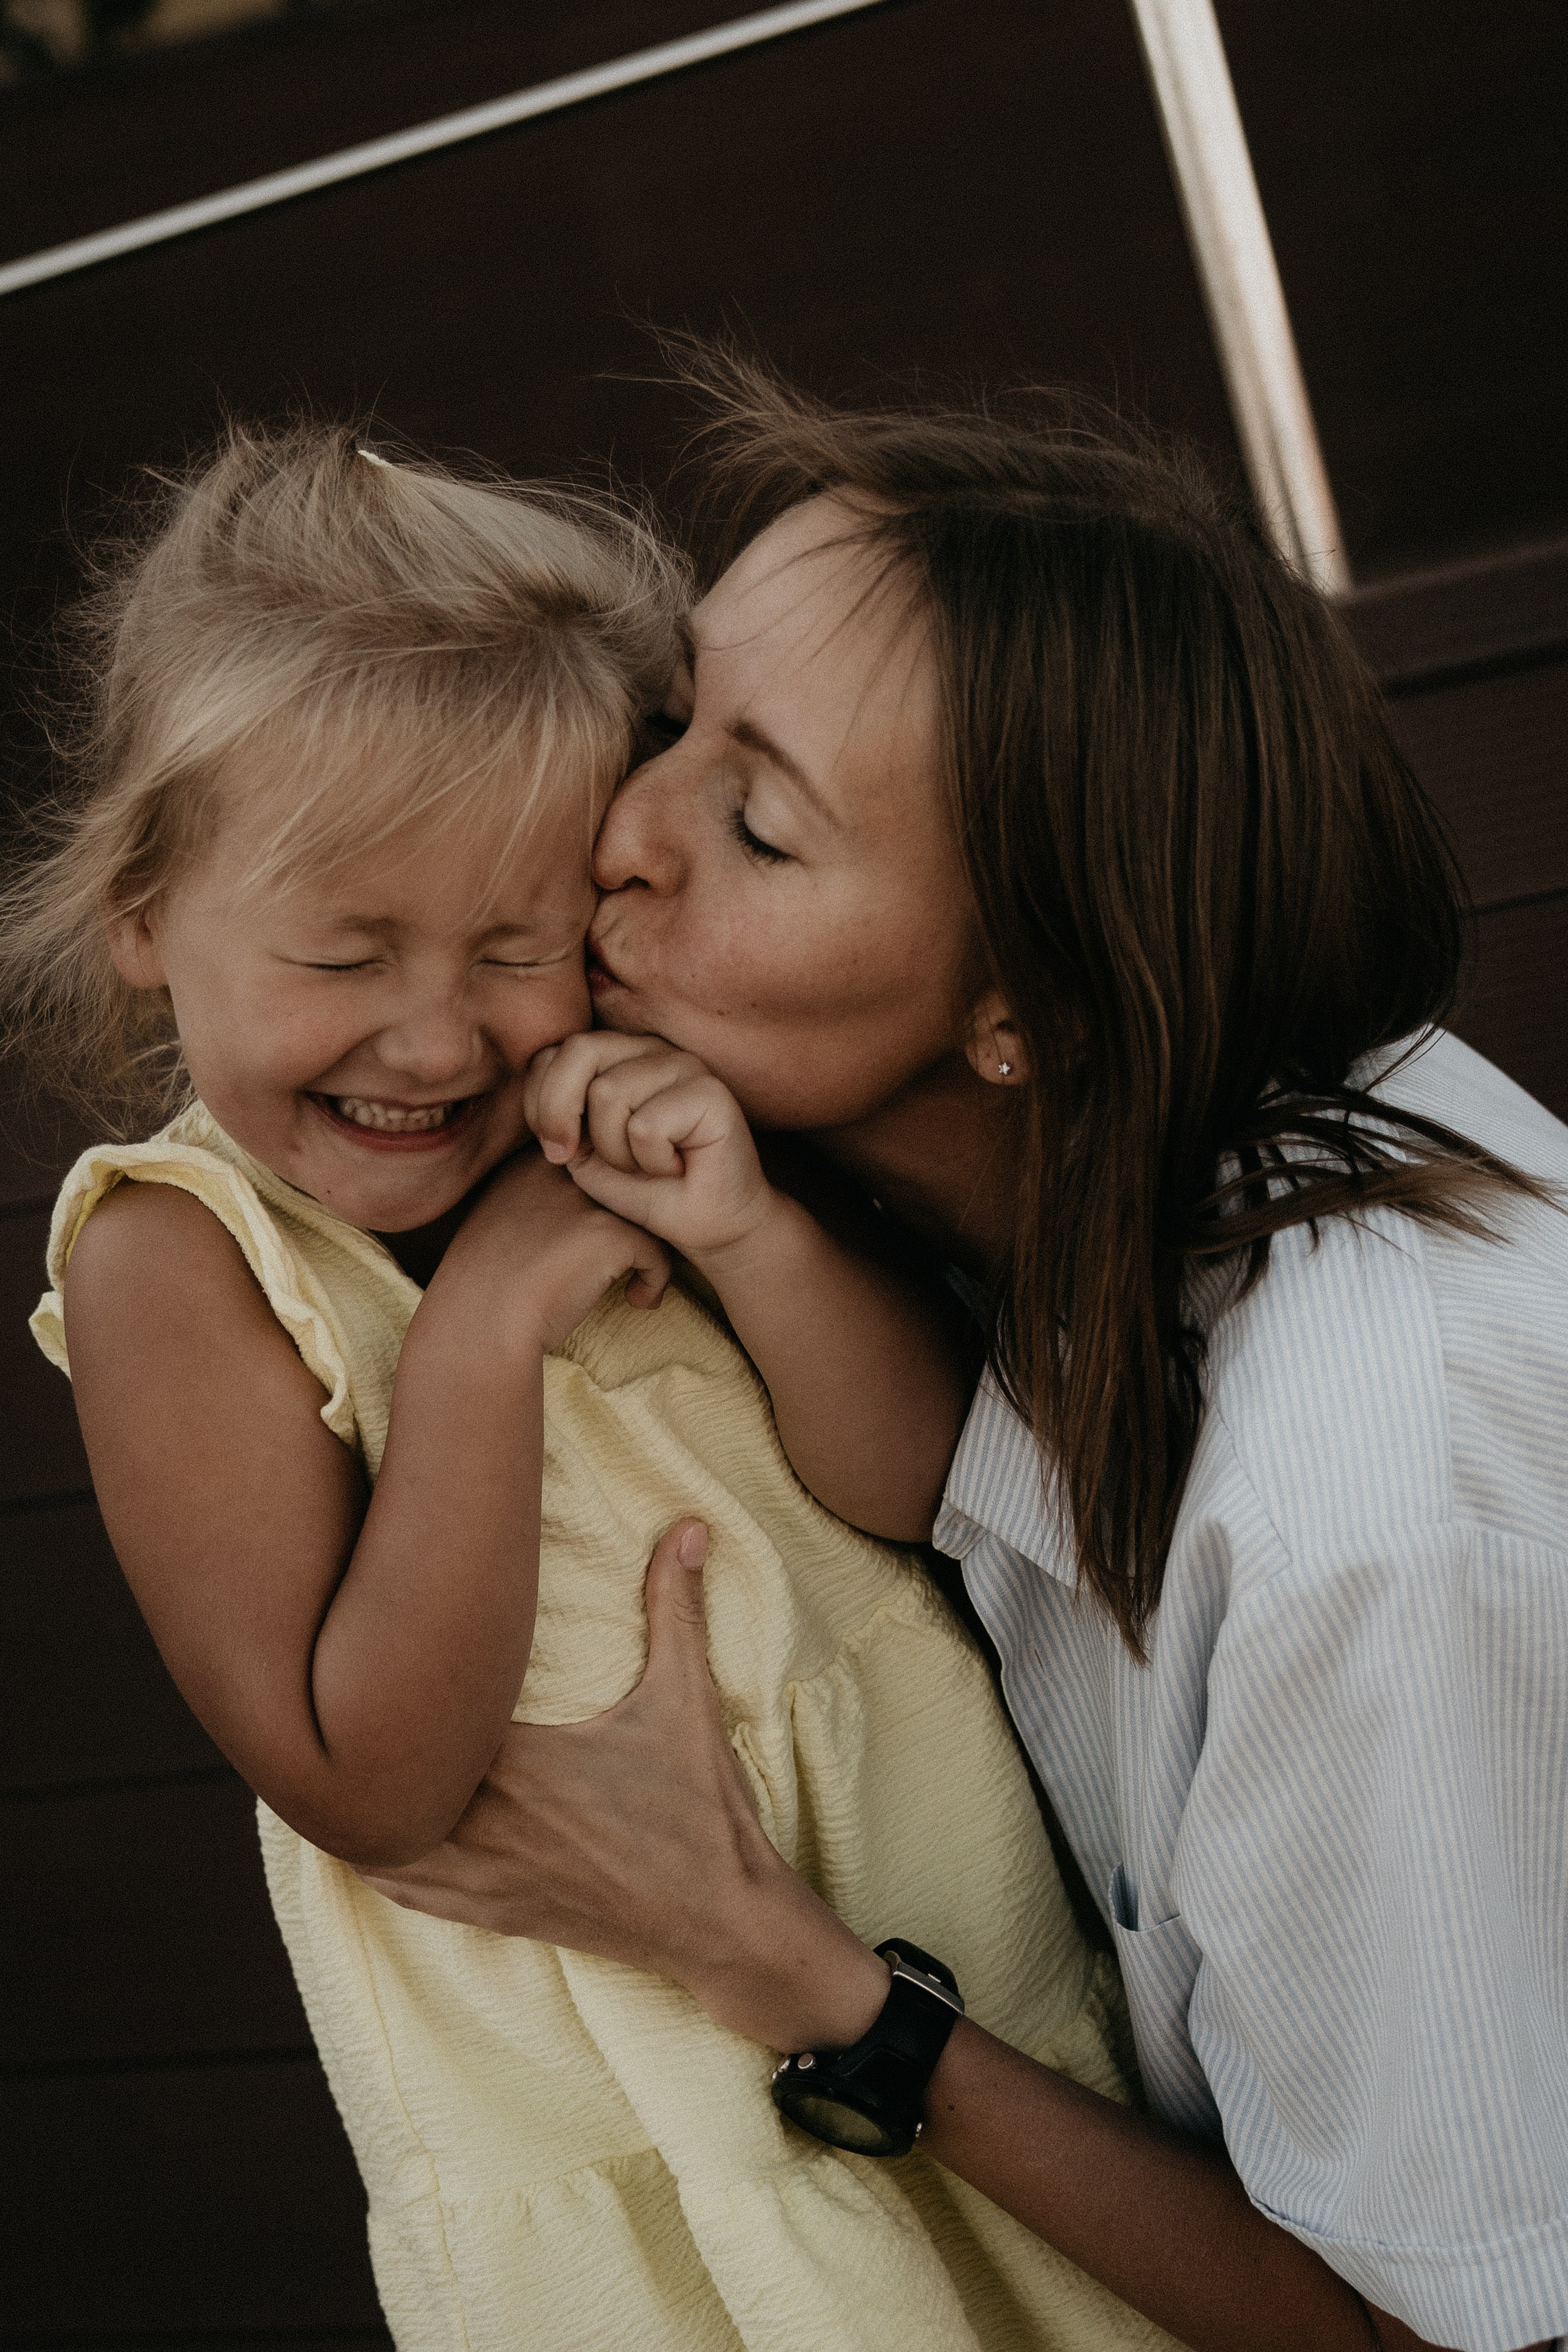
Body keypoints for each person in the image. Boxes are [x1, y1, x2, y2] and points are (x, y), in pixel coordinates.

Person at [361, 366, 1568, 2352]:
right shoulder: (1093, 1190)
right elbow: (941, 1473)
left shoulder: (1364, 1493)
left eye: (752, 820)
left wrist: (799, 1977)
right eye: (674, 717)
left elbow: (1444, 2339)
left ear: (1030, 1005)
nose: (624, 831)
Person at [6, 423, 1186, 2352]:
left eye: (515, 943)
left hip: (952, 1997)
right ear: (144, 915)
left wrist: (750, 1234)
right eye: (342, 951)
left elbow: (917, 1483)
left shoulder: (633, 1112)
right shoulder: (176, 1258)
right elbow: (367, 1774)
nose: (434, 1028)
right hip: (642, 2152)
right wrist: (483, 1327)